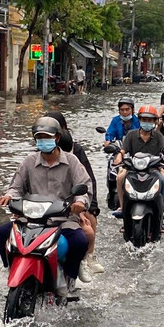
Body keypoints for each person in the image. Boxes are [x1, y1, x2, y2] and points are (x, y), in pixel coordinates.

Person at [0, 117, 91, 290]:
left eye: (47, 137)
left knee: (79, 242)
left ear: (57, 138)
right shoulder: (29, 162)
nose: (43, 141)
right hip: (31, 219)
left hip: (62, 219)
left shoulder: (72, 161)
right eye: (39, 138)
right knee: (0, 234)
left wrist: (80, 202)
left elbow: (85, 187)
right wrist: (9, 196)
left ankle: (69, 279)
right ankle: (12, 268)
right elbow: (16, 187)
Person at [43, 110, 104, 281]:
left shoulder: (75, 155)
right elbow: (22, 185)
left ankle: (84, 260)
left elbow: (87, 181)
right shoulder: (36, 157)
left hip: (71, 204)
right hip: (43, 207)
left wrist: (84, 207)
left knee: (88, 227)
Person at [116, 104, 164, 218]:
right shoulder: (131, 135)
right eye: (144, 120)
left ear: (154, 121)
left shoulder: (158, 135)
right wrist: (119, 156)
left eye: (149, 120)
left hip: (154, 167)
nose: (146, 122)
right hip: (133, 167)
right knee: (119, 177)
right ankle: (122, 207)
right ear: (139, 120)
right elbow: (123, 150)